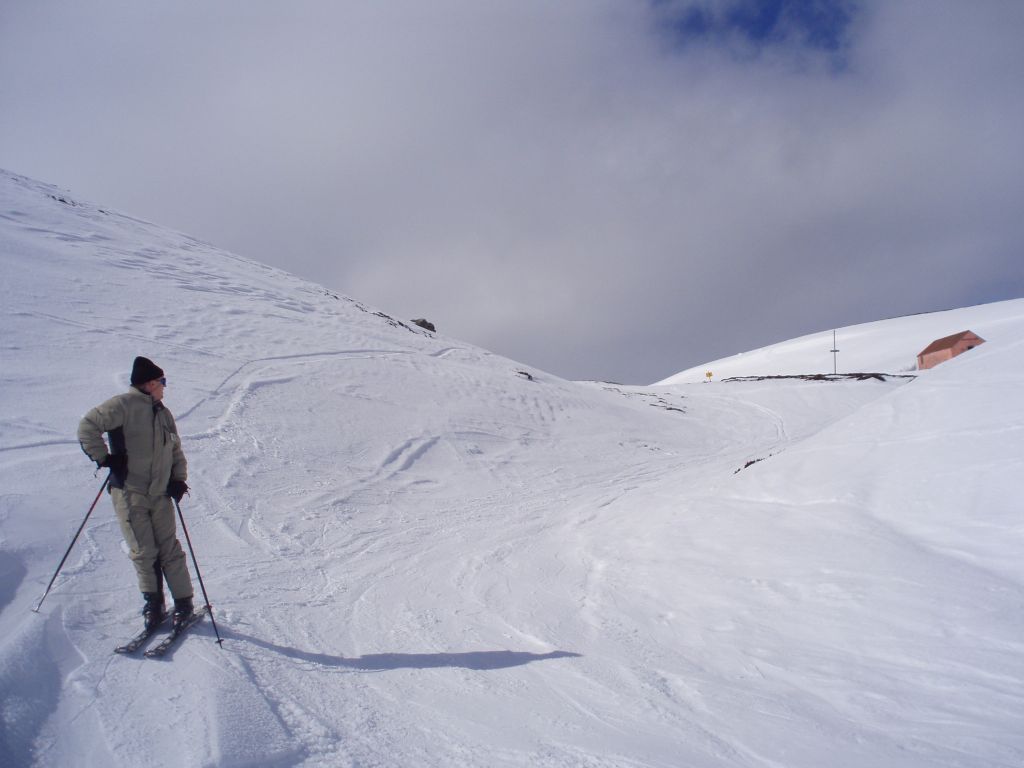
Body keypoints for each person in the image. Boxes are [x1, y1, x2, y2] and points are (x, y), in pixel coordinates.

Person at [78, 356, 194, 632]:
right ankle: (154, 604)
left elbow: (175, 449)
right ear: (150, 383)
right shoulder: (123, 406)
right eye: (162, 382)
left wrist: (178, 479)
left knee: (170, 549)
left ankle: (184, 603)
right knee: (144, 552)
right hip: (130, 493)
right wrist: (105, 458)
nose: (164, 387)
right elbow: (88, 426)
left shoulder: (163, 413)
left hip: (160, 494)